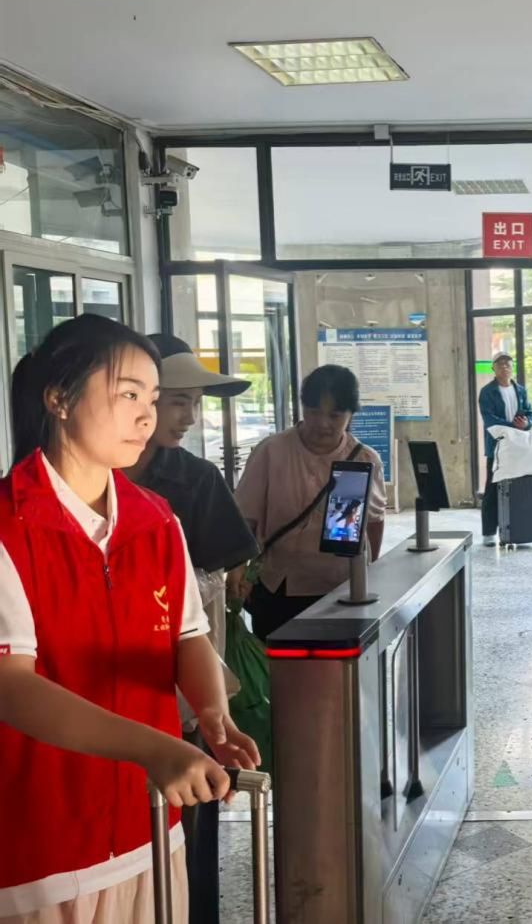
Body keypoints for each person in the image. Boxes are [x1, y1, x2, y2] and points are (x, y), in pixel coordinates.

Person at [0, 314, 259, 924]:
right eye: (127, 395)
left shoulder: (155, 519)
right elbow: (10, 685)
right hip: (43, 841)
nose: (146, 416)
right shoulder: (10, 526)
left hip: (149, 825)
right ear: (60, 399)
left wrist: (212, 712)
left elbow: (188, 635)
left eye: (152, 397)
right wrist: (155, 750)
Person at [123, 333, 261, 924]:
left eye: (190, 403)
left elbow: (224, 576)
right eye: (175, 400)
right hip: (110, 677)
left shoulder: (196, 479)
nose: (186, 416)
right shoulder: (80, 479)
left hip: (183, 677)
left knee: (192, 802)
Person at [228, 365, 387, 641]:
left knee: (335, 666)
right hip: (279, 589)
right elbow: (245, 518)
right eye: (313, 412)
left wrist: (368, 574)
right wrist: (238, 568)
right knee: (278, 663)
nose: (322, 424)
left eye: (334, 415)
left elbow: (373, 522)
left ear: (351, 414)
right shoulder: (272, 451)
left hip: (341, 591)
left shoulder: (363, 459)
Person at [477, 352, 532, 547]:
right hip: (497, 447)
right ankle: (488, 533)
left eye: (508, 364)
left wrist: (526, 423)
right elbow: (489, 419)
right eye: (500, 364)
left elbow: (530, 413)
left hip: (518, 446)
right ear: (493, 368)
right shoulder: (487, 392)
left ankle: (518, 530)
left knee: (519, 488)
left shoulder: (520, 390)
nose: (504, 367)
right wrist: (513, 426)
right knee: (492, 488)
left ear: (512, 367)